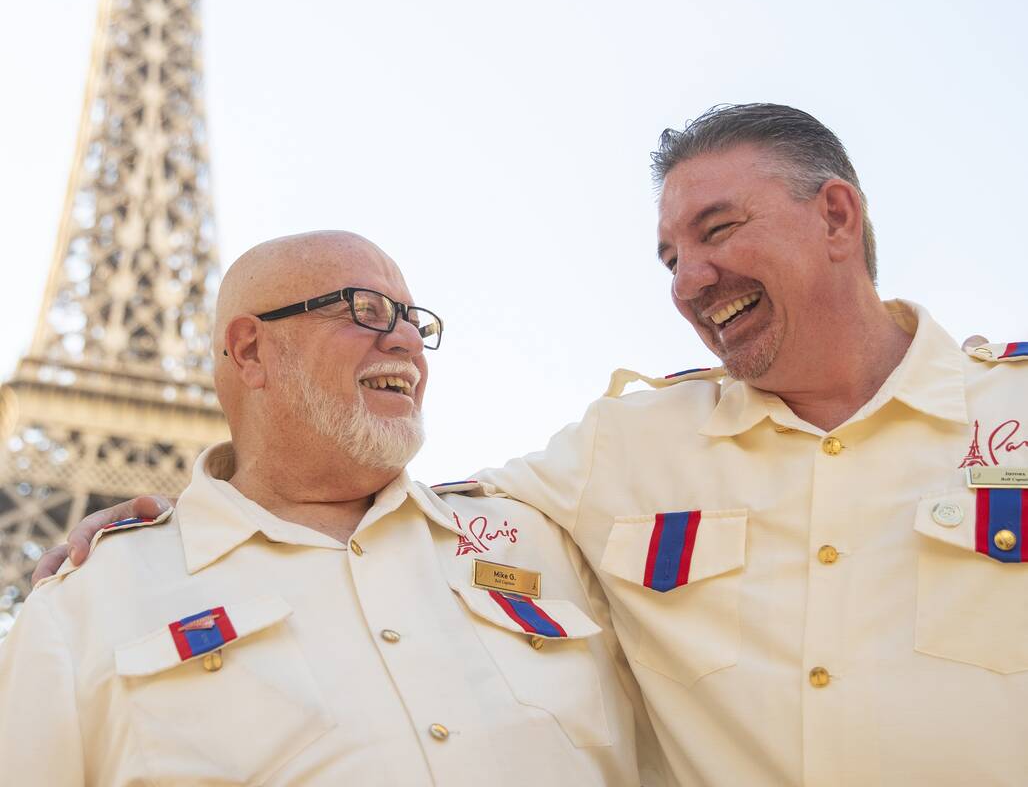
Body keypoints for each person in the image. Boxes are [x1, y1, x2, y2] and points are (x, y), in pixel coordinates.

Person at [33, 104, 1028, 785]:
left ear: (836, 217)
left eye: (717, 230)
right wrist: (190, 519)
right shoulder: (621, 452)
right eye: (668, 255)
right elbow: (367, 498)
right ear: (245, 350)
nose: (687, 278)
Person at [0, 231, 663, 786]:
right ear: (252, 350)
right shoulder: (87, 604)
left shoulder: (542, 535)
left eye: (412, 318)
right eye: (366, 310)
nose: (405, 338)